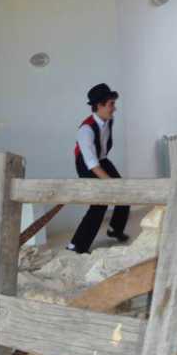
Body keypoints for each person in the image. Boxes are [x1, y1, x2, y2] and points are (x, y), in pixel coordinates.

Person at [67, 83, 130, 254]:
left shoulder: (109, 120)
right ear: (99, 106)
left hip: (101, 160)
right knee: (99, 204)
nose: (114, 108)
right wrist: (109, 183)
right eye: (111, 104)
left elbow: (100, 155)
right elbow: (91, 163)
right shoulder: (86, 130)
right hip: (86, 165)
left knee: (124, 191)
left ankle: (115, 229)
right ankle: (76, 245)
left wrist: (114, 184)